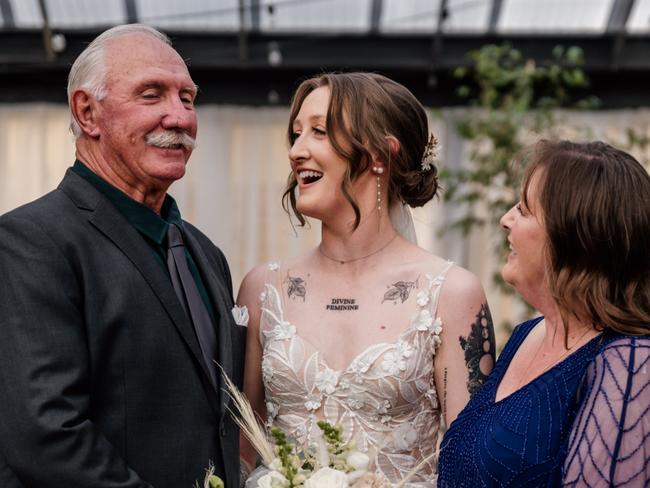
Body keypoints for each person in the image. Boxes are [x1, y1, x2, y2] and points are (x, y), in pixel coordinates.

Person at [0, 24, 245, 487]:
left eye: (187, 98)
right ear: (87, 112)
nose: (180, 118)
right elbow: (47, 435)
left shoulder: (207, 254)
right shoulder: (28, 243)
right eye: (151, 95)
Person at [237, 72, 496, 486]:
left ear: (379, 155)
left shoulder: (451, 294)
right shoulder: (263, 290)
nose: (296, 151)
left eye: (319, 132)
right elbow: (241, 449)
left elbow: (472, 466)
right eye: (297, 133)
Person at [437, 140, 650, 487]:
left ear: (574, 236)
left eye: (522, 210)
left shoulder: (631, 361)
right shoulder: (527, 334)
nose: (505, 220)